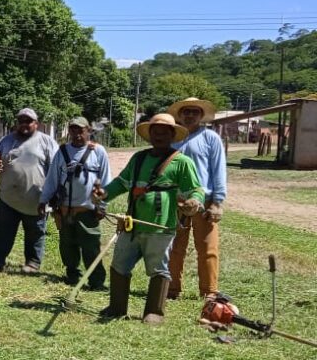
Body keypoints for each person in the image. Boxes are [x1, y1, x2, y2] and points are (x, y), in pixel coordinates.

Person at [93, 113, 204, 324]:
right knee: (119, 264)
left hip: (160, 228)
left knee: (158, 268)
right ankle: (117, 307)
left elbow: (196, 190)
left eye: (164, 132)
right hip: (132, 224)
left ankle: (154, 312)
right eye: (155, 132)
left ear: (172, 135)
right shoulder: (139, 158)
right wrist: (104, 193)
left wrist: (194, 202)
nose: (159, 136)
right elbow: (122, 183)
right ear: (149, 135)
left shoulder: (181, 162)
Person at [39, 117, 111, 289]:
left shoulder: (98, 152)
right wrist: (43, 200)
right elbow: (52, 179)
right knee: (67, 246)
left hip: (87, 210)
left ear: (88, 131)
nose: (77, 134)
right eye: (73, 130)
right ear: (69, 131)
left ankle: (96, 281)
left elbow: (107, 182)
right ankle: (73, 275)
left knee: (91, 248)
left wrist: (103, 206)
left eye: (81, 130)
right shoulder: (62, 152)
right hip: (64, 210)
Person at [167, 97, 226, 300]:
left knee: (208, 248)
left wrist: (217, 202)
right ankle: (172, 288)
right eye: (186, 111)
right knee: (174, 247)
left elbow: (219, 170)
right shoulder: (173, 138)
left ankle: (209, 291)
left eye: (194, 111)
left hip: (204, 202)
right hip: (176, 202)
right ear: (180, 115)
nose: (190, 115)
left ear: (201, 115)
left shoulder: (211, 138)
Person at [0, 108, 58, 273]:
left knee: (35, 232)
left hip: (36, 199)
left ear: (37, 124)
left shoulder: (47, 142)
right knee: (3, 231)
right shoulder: (6, 140)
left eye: (28, 121)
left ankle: (33, 263)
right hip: (8, 198)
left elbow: (56, 169)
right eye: (21, 121)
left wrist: (52, 195)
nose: (24, 124)